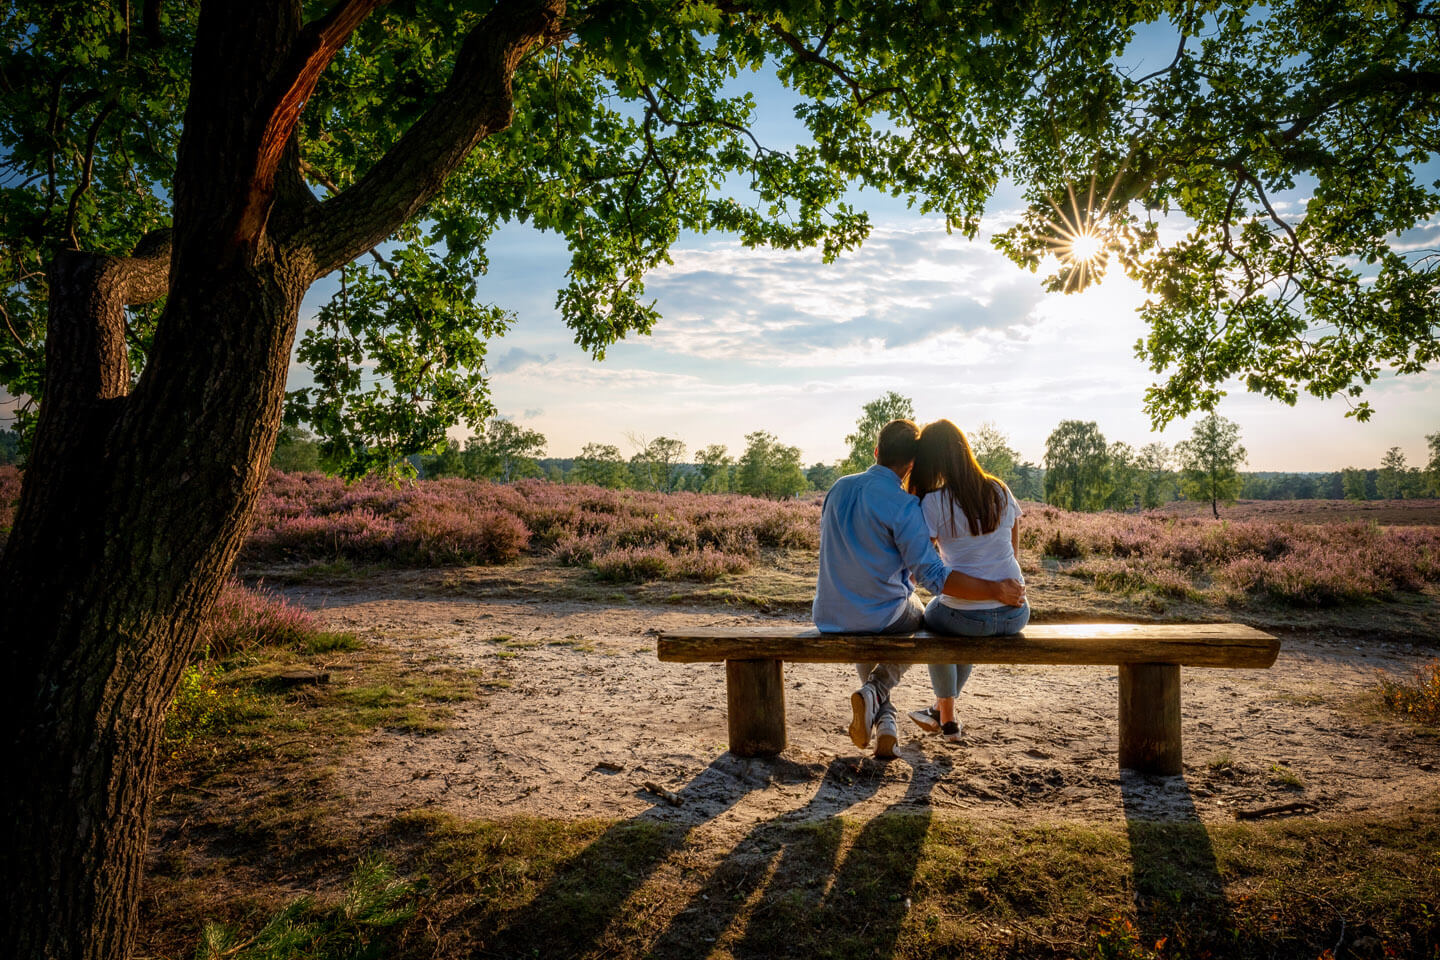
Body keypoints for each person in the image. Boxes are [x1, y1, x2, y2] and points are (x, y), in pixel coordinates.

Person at [813, 419, 1026, 759]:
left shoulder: (838, 488)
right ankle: (878, 691)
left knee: (873, 615)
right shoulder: (904, 505)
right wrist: (996, 589)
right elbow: (932, 575)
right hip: (882, 615)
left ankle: (886, 723)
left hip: (828, 613)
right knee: (921, 619)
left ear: (877, 451)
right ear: (912, 464)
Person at [904, 418, 1030, 742]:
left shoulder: (933, 502)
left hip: (967, 617)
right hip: (1015, 612)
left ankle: (946, 720)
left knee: (931, 622)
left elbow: (924, 562)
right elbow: (1012, 554)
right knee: (965, 622)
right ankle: (939, 713)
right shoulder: (1000, 489)